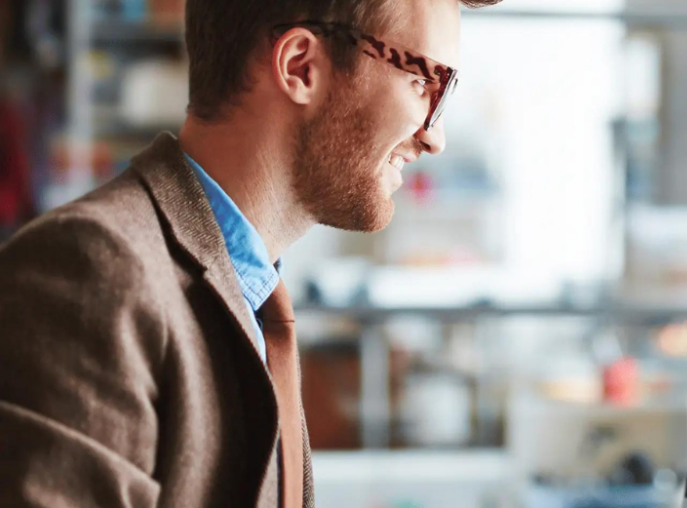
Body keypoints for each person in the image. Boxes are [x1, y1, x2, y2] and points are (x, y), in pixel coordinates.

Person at [0, 0, 498, 506]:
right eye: (424, 81)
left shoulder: (251, 292)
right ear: (300, 66)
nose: (433, 136)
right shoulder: (89, 274)